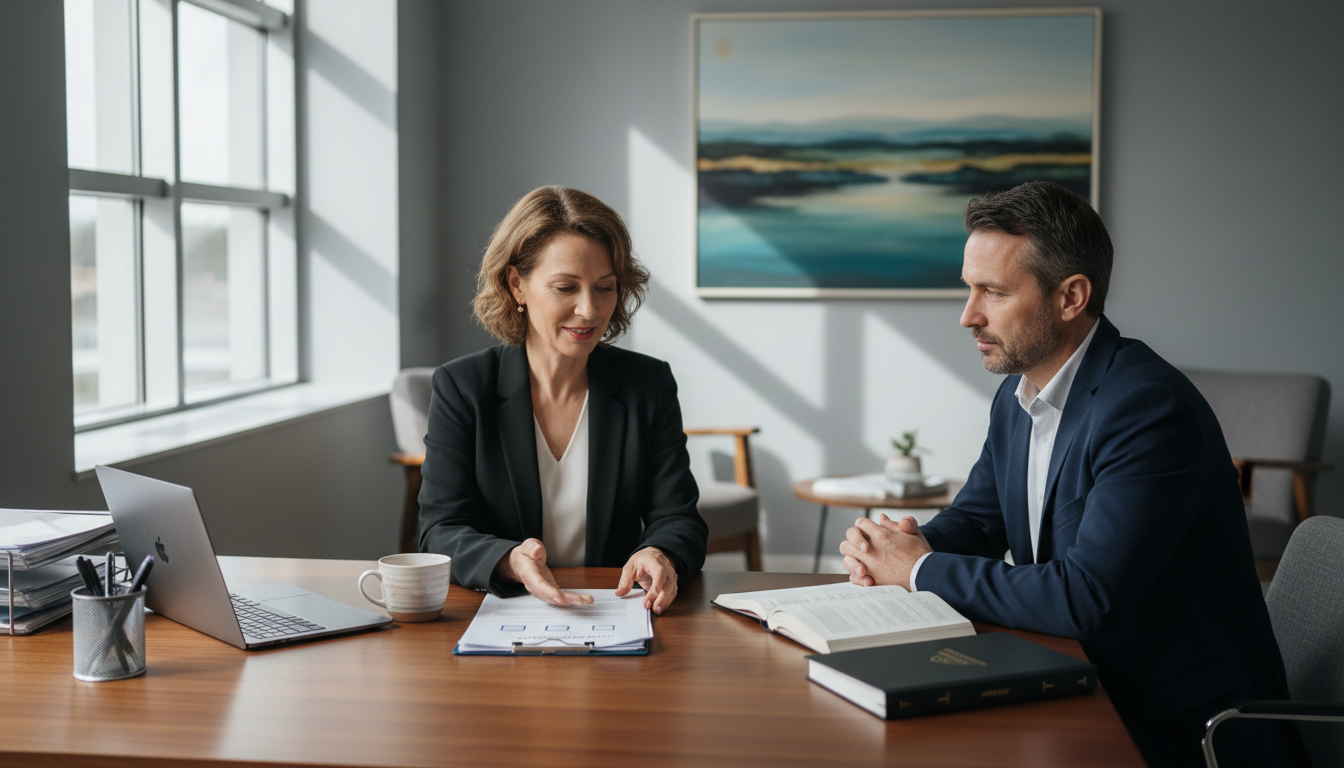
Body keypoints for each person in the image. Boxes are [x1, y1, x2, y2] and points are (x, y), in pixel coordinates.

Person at [840, 181, 1307, 767]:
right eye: (968, 289)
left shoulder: (1147, 408)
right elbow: (981, 519)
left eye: (993, 292)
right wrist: (902, 545)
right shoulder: (1019, 395)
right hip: (1079, 677)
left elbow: (1085, 597)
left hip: (1178, 722)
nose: (967, 316)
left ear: (1071, 297)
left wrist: (920, 570)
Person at [418, 185, 707, 614]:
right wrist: (508, 559)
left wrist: (660, 552)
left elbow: (679, 517)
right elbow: (439, 530)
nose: (589, 310)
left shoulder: (648, 383)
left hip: (616, 610)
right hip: (503, 612)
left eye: (605, 287)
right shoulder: (462, 386)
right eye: (566, 287)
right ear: (517, 285)